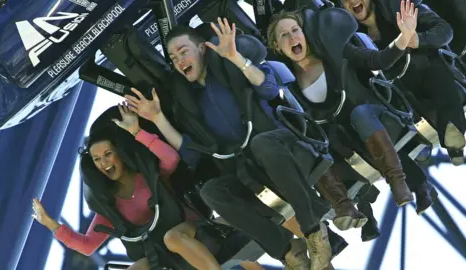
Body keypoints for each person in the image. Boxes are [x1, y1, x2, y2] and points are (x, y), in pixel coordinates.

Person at [123, 18, 354, 269]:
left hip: (288, 147)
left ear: (202, 49)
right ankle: (287, 250)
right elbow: (192, 151)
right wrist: (156, 118)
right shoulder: (190, 103)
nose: (179, 61)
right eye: (173, 57)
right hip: (251, 168)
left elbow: (268, 88)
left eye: (183, 52)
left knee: (262, 144)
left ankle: (313, 231)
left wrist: (235, 58)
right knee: (212, 191)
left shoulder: (230, 68)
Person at [31, 104, 227, 270]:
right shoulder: (110, 207)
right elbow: (87, 245)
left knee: (172, 238)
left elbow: (171, 158)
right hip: (162, 255)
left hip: (192, 232)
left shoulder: (150, 175)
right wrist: (49, 223)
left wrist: (136, 132)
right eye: (97, 159)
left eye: (108, 154)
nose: (104, 162)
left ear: (120, 153)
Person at [266, 1, 421, 208]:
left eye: (296, 30)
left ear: (304, 34)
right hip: (342, 135)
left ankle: (398, 181)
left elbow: (377, 60)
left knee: (360, 115)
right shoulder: (288, 84)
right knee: (315, 143)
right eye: (284, 35)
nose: (293, 37)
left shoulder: (335, 51)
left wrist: (404, 37)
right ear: (277, 46)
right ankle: (348, 208)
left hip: (371, 114)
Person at [339, 0, 466, 165]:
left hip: (423, 68)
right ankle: (414, 160)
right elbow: (370, 63)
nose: (353, 1)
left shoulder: (396, 5)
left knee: (437, 77)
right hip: (390, 91)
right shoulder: (347, 34)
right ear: (341, 6)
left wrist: (418, 40)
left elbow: (444, 30)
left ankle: (453, 137)